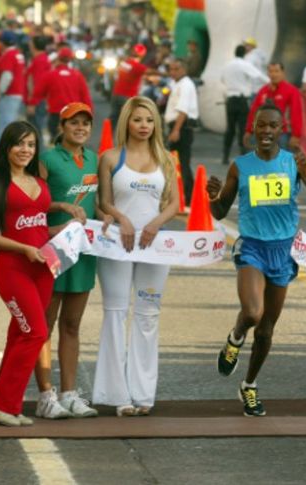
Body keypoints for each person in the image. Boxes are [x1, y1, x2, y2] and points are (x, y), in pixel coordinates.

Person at [207, 104, 306, 417]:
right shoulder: (240, 166)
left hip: (283, 251)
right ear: (252, 129)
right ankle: (235, 337)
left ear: (282, 129)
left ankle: (249, 386)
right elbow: (220, 212)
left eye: (273, 126)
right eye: (261, 126)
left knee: (266, 331)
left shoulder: (293, 162)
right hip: (252, 247)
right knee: (253, 313)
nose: (266, 131)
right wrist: (212, 196)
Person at [0, 121, 80, 426]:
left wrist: (63, 226)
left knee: (19, 334)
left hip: (43, 268)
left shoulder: (37, 179)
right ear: (7, 146)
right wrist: (22, 249)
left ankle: (8, 405)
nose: (25, 150)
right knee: (36, 332)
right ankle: (1, 403)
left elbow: (38, 226)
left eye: (30, 144)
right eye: (19, 144)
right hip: (13, 268)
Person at [92, 96, 180, 417]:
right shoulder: (110, 157)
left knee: (148, 315)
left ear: (156, 124)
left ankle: (143, 394)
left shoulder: (166, 158)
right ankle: (118, 395)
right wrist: (122, 219)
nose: (144, 126)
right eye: (137, 119)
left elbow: (174, 203)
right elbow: (102, 202)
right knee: (115, 313)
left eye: (149, 120)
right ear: (126, 122)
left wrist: (156, 223)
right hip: (117, 243)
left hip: (155, 245)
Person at [33, 102, 114, 419]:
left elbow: (96, 205)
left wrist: (105, 216)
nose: (80, 128)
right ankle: (45, 395)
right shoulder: (47, 159)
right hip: (52, 250)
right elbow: (34, 205)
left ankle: (68, 394)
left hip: (83, 253)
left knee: (72, 325)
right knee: (44, 325)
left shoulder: (94, 159)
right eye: (73, 123)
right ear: (62, 126)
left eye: (85, 123)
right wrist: (58, 218)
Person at [221, 44, 269, 165]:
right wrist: (271, 82)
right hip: (242, 99)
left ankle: (225, 155)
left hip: (230, 99)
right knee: (243, 127)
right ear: (244, 54)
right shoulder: (245, 65)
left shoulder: (227, 65)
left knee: (230, 128)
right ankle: (243, 155)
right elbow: (258, 75)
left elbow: (222, 79)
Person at [243, 62, 303, 152]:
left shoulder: (292, 91)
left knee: (281, 164)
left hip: (282, 135)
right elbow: (254, 112)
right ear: (267, 73)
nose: (273, 74)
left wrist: (296, 135)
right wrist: (248, 130)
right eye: (271, 71)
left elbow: (296, 114)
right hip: (262, 134)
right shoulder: (263, 91)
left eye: (276, 71)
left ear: (283, 73)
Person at [164, 59, 199, 208]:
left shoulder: (186, 84)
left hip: (182, 127)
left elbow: (183, 110)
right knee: (178, 163)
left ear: (184, 69)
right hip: (177, 125)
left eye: (176, 69)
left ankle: (186, 198)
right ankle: (187, 197)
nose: (172, 72)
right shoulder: (177, 83)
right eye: (171, 69)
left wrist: (176, 130)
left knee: (181, 163)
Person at [110, 44, 148, 133]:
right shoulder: (137, 66)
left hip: (116, 94)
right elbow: (148, 71)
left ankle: (106, 140)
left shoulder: (125, 62)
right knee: (129, 120)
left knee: (113, 118)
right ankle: (126, 143)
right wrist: (165, 74)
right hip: (127, 97)